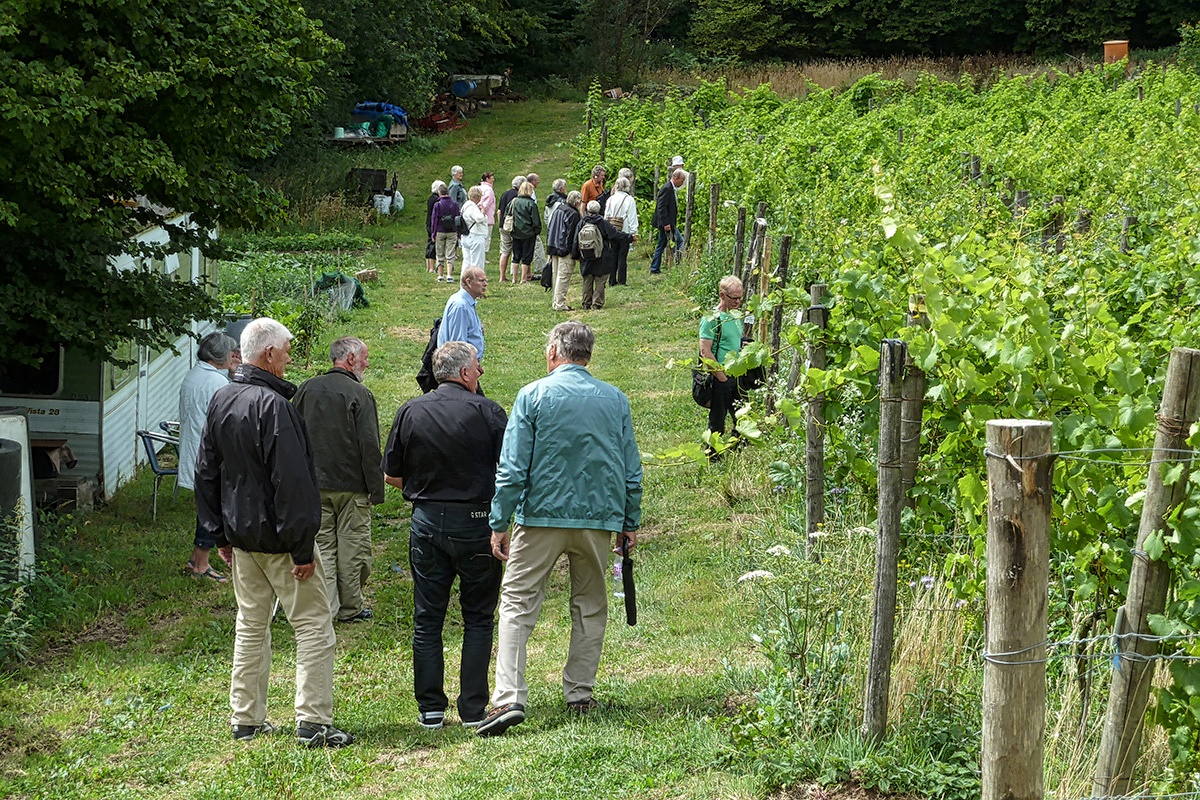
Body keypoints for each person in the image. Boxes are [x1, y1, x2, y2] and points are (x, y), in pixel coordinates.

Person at [476, 321, 642, 737]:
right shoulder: (615, 399)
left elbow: (512, 468)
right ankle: (580, 693)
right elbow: (631, 468)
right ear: (589, 354)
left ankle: (510, 695)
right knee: (590, 604)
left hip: (541, 517)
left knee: (517, 601)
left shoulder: (532, 395)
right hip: (598, 518)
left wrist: (499, 521)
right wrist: (629, 520)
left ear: (553, 352)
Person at [195, 317, 353, 748]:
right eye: (286, 349)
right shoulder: (274, 406)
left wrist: (218, 535)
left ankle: (245, 718)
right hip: (282, 542)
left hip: (243, 538)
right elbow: (293, 481)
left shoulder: (222, 399)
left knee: (251, 624)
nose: (289, 355)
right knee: (313, 624)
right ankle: (314, 720)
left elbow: (207, 472)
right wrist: (302, 548)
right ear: (268, 354)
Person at [382, 341, 508, 730]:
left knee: (428, 618)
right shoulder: (489, 412)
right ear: (465, 373)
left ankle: (431, 709)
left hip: (428, 522)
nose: (481, 373)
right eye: (478, 366)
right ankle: (472, 708)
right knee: (478, 617)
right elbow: (509, 471)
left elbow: (391, 475)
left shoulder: (410, 411)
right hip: (477, 523)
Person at [292, 337, 384, 624]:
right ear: (351, 358)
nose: (367, 363)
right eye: (365, 358)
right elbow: (369, 445)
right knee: (353, 549)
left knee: (324, 549)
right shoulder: (359, 394)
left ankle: (326, 607)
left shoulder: (307, 388)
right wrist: (375, 489)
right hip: (352, 487)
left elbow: (292, 432)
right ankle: (350, 607)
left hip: (314, 484)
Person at [177, 331, 238, 583]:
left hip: (196, 450)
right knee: (212, 511)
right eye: (231, 353)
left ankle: (196, 559)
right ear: (220, 356)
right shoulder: (217, 383)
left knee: (207, 508)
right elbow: (227, 424)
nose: (235, 357)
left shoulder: (196, 374)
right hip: (210, 456)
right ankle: (201, 564)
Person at [699, 275, 746, 441]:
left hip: (738, 376)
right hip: (720, 376)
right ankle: (712, 453)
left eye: (740, 298)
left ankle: (738, 445)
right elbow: (705, 352)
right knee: (717, 419)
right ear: (722, 295)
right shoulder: (711, 319)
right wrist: (722, 378)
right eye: (734, 298)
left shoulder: (736, 316)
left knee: (742, 415)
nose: (737, 302)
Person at [575, 200, 630, 311]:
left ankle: (586, 302)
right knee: (600, 280)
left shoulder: (582, 222)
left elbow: (575, 239)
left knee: (587, 279)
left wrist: (576, 254)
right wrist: (628, 237)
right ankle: (597, 303)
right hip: (601, 256)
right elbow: (614, 234)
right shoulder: (602, 222)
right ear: (599, 210)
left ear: (587, 210)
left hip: (585, 256)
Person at [437, 267, 488, 366]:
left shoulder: (467, 303)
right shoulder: (460, 306)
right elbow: (457, 346)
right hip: (460, 368)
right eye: (481, 281)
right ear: (468, 282)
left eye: (485, 280)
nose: (485, 284)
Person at [545, 191, 582, 312]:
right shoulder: (573, 214)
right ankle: (560, 303)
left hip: (553, 246)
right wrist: (574, 252)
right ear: (577, 202)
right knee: (564, 276)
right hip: (564, 249)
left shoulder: (559, 208)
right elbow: (572, 235)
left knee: (556, 275)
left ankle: (555, 302)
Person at [650, 168, 686, 275]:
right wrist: (666, 223)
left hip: (668, 223)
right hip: (666, 223)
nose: (682, 183)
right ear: (676, 178)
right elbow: (661, 207)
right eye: (681, 180)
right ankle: (677, 263)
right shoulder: (667, 188)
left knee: (662, 244)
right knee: (679, 241)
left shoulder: (670, 188)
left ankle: (655, 267)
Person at [604, 176, 638, 286]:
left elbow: (606, 216)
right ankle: (622, 280)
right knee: (622, 256)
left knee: (613, 255)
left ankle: (612, 280)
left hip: (612, 230)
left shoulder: (610, 199)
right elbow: (632, 217)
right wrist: (634, 232)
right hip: (624, 230)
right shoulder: (629, 200)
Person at [508, 180, 541, 283]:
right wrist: (536, 230)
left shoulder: (514, 201)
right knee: (526, 257)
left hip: (515, 232)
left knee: (516, 256)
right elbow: (535, 220)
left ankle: (514, 279)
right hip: (528, 233)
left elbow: (507, 213)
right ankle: (523, 279)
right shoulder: (531, 204)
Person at [496, 174, 525, 283]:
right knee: (518, 251)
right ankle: (518, 276)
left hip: (503, 226)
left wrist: (500, 224)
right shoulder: (518, 196)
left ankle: (502, 276)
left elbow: (499, 211)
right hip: (514, 227)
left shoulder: (504, 194)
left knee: (505, 251)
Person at [430, 184, 460, 283]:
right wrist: (458, 232)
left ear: (439, 193)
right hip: (452, 231)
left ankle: (440, 275)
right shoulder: (455, 204)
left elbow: (434, 220)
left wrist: (433, 234)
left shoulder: (437, 205)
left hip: (440, 231)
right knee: (450, 253)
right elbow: (457, 218)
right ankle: (449, 275)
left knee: (439, 253)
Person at [459, 187, 489, 270]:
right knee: (477, 262)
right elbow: (479, 218)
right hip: (475, 236)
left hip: (466, 235)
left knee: (467, 262)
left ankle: (464, 281)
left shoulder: (465, 206)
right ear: (477, 197)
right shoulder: (472, 207)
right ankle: (476, 281)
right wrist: (482, 211)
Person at [527, 173, 549, 279]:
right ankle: (540, 267)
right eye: (537, 180)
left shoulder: (530, 191)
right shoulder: (530, 192)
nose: (539, 182)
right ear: (532, 181)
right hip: (530, 227)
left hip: (527, 227)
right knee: (537, 247)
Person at [425, 180, 446, 274]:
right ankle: (432, 267)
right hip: (434, 225)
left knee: (430, 244)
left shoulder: (430, 198)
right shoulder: (437, 200)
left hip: (429, 223)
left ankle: (428, 266)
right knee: (433, 246)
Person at [477, 172, 496, 257]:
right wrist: (482, 213)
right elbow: (486, 203)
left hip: (477, 216)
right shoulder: (488, 189)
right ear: (487, 179)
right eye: (492, 178)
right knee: (486, 237)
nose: (493, 179)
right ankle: (483, 256)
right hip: (486, 217)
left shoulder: (478, 188)